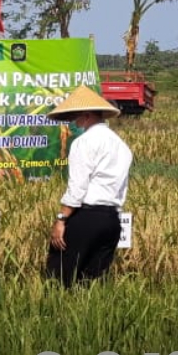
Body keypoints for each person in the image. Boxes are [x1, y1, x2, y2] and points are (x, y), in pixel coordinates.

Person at [44, 85, 133, 286]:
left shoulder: (84, 143)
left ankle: (57, 314)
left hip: (86, 216)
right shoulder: (121, 146)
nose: (75, 122)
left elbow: (77, 187)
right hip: (112, 220)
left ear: (87, 115)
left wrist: (61, 219)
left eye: (77, 117)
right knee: (93, 282)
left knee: (60, 277)